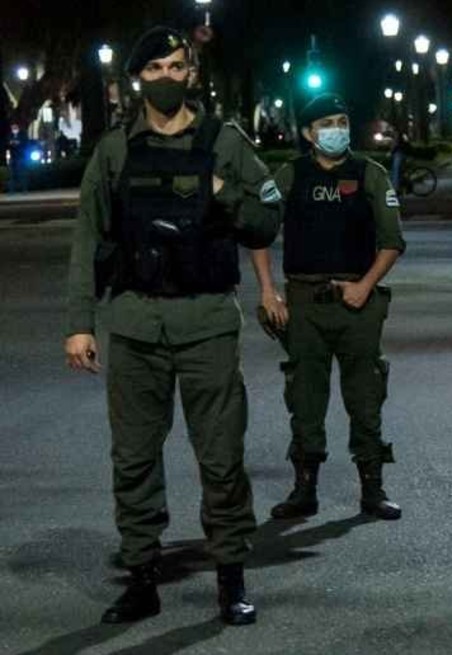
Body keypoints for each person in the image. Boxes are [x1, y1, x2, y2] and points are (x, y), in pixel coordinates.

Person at [62, 26, 282, 626]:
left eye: (176, 66)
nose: (166, 77)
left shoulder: (224, 142)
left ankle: (231, 577)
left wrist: (220, 189)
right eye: (154, 67)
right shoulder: (115, 150)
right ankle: (140, 578)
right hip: (134, 323)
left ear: (191, 74)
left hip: (206, 322)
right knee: (132, 458)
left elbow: (266, 219)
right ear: (140, 78)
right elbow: (89, 237)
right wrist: (79, 324)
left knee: (221, 458)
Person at [250, 93, 406, 522]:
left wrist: (365, 286)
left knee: (366, 395)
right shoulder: (291, 175)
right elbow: (257, 230)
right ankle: (305, 489)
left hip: (357, 304)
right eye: (325, 124)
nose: (336, 129)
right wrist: (267, 292)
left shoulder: (369, 173)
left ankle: (373, 489)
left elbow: (392, 242)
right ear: (308, 133)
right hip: (303, 305)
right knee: (304, 396)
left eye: (341, 120)